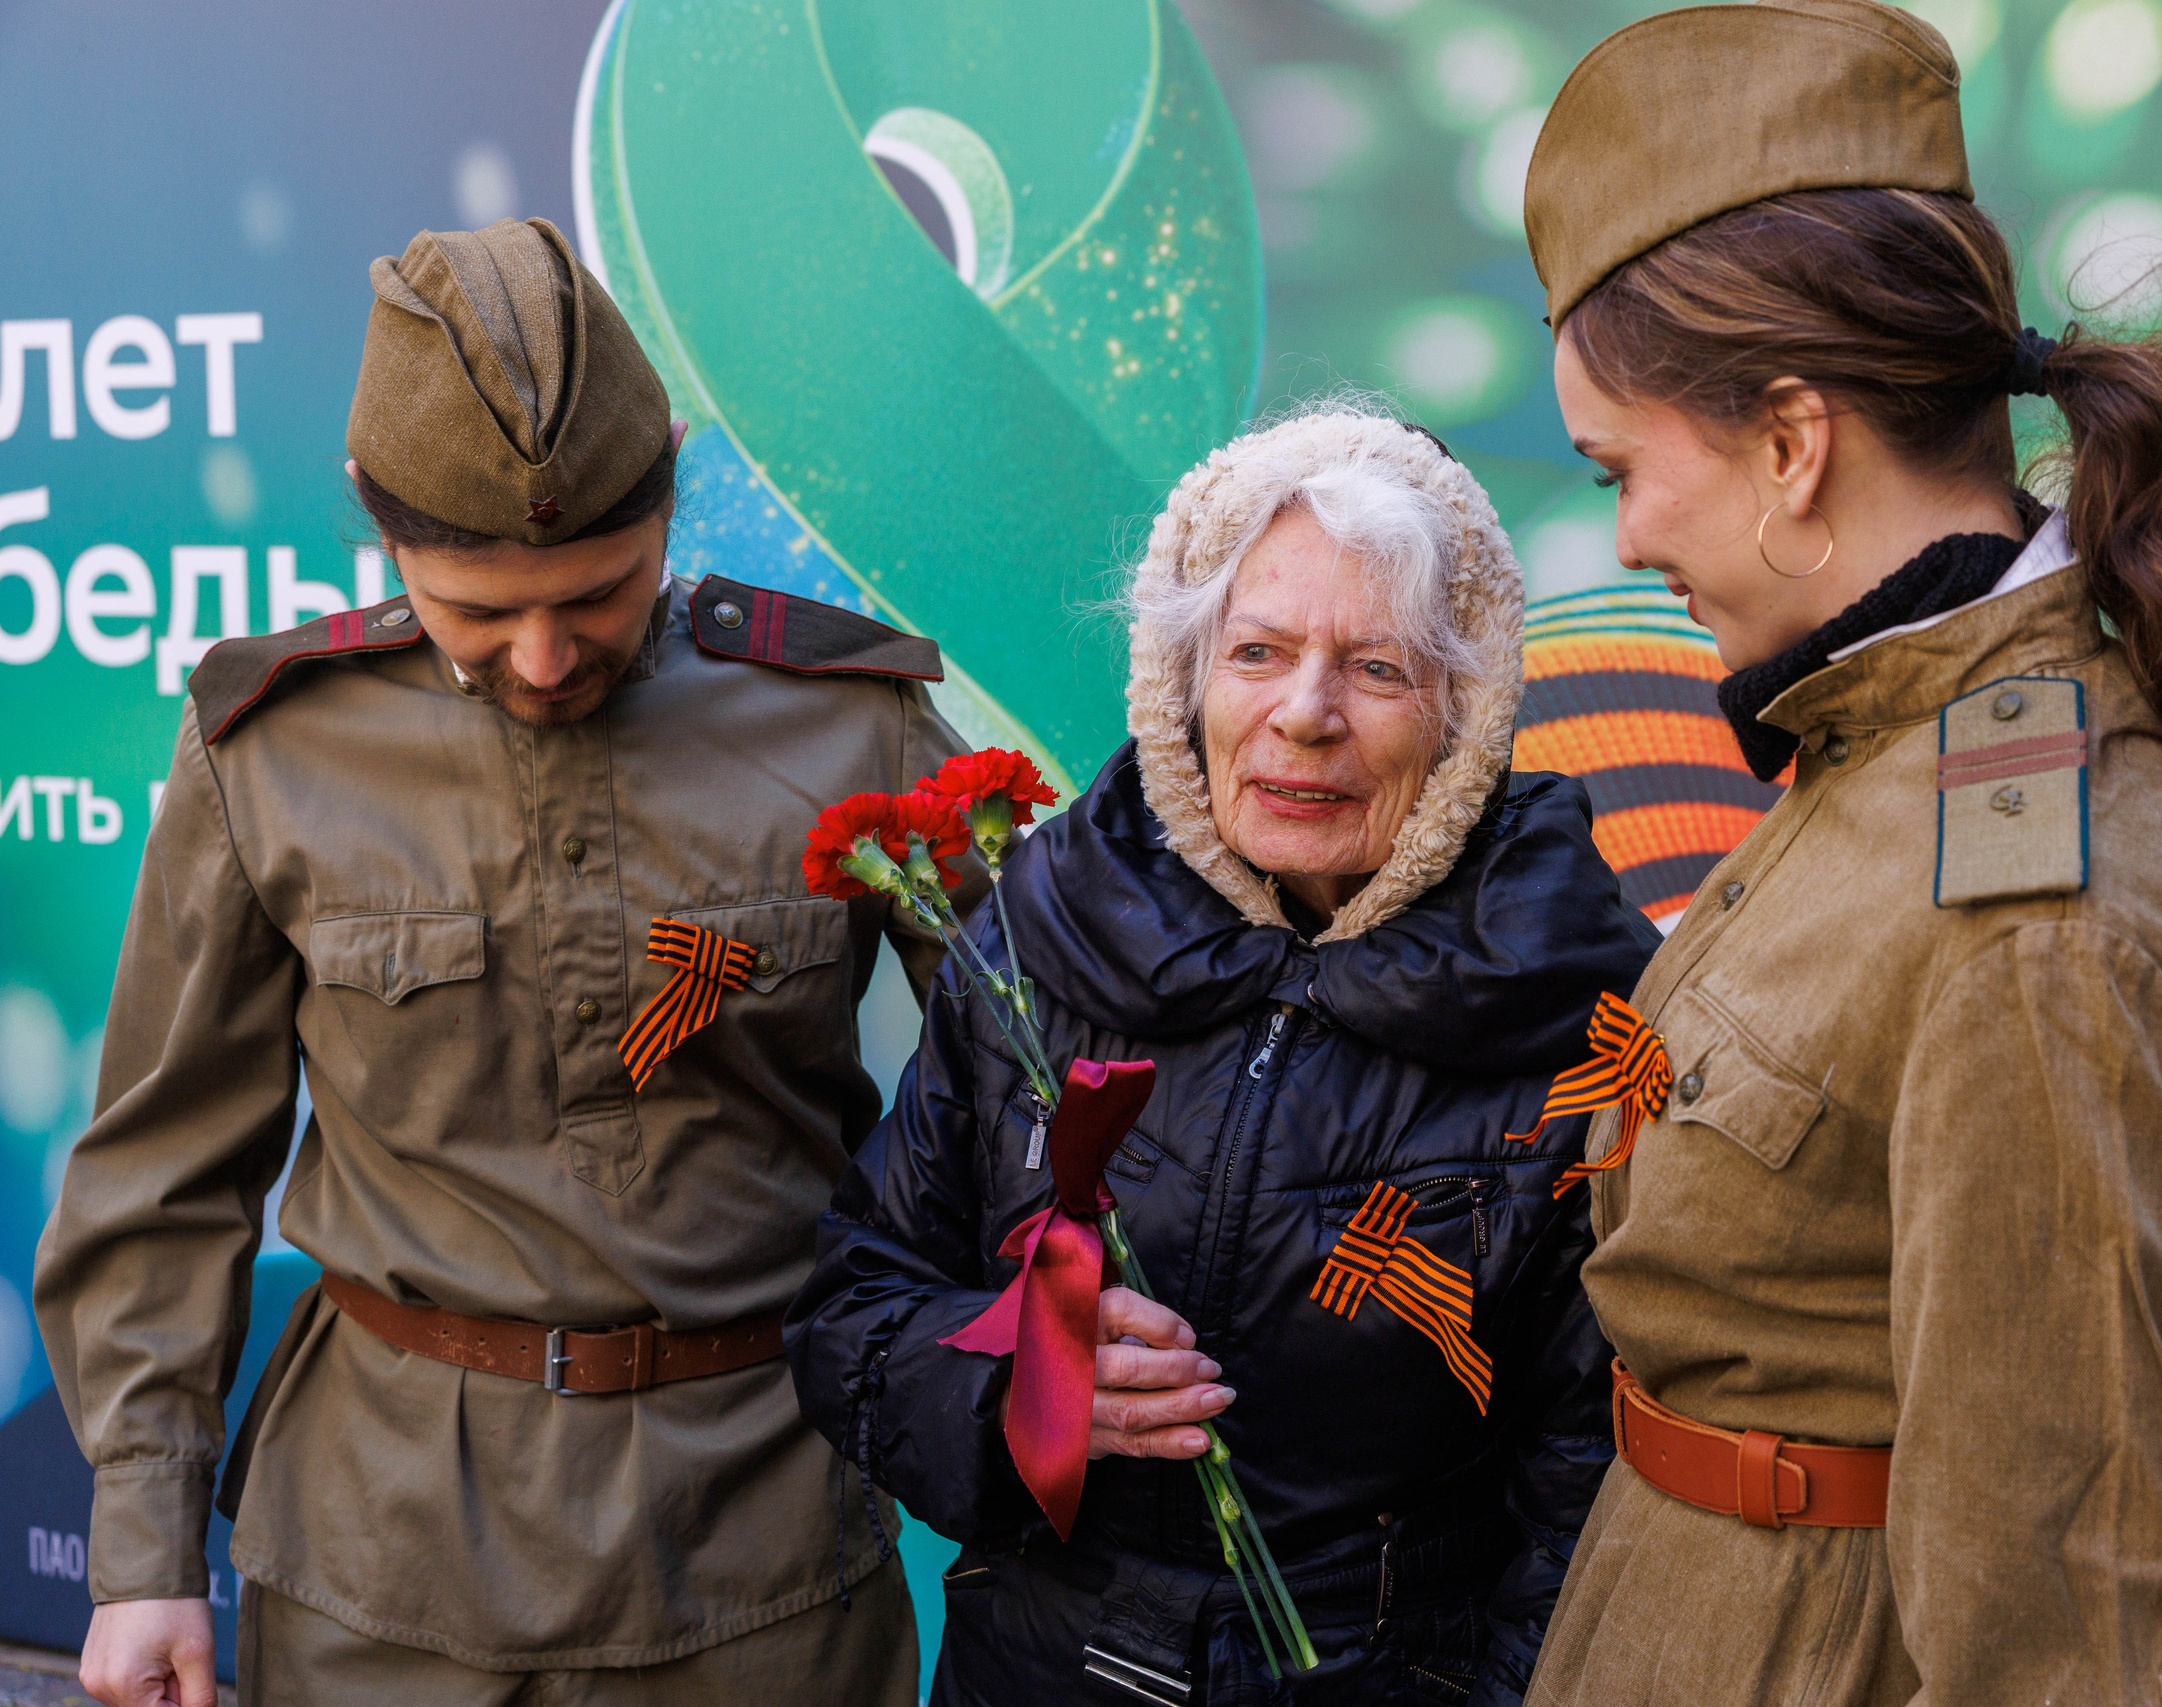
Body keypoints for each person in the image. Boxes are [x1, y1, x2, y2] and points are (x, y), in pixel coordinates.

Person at [1512, 4, 2162, 1704]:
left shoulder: (2036, 903)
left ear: (1790, 442)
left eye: (1626, 469)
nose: (1623, 538)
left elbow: (2088, 1611)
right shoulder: (1892, 740)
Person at [35, 217, 963, 1706]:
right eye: (481, 615)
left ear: (671, 482)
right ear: (377, 527)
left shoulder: (851, 725)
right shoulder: (271, 749)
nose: (543, 660)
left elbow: (1038, 1075)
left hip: (766, 1560)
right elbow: (162, 1172)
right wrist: (143, 1553)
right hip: (375, 1575)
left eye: (597, 594)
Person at [786, 408, 1662, 1705]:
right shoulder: (1045, 925)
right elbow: (857, 1305)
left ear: (1462, 711)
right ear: (1184, 678)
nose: (1304, 715)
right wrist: (1015, 1393)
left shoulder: (1578, 1005)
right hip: (1041, 1665)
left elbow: (1596, 1483)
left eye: (1375, 668)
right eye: (1257, 651)